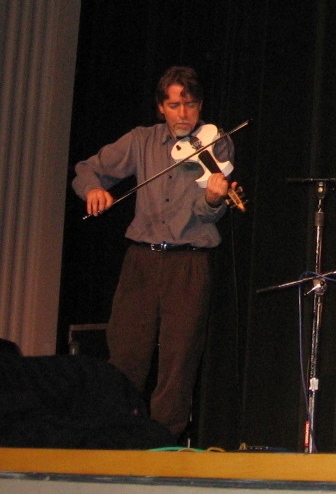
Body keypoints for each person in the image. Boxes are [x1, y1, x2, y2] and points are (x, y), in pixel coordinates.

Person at [72, 66, 240, 441]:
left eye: (191, 105)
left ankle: (162, 446)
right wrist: (93, 191)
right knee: (126, 357)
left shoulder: (218, 142)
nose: (184, 114)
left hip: (189, 263)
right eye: (175, 105)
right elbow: (86, 169)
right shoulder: (141, 140)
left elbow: (206, 210)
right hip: (142, 262)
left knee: (178, 365)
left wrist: (213, 199)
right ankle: (116, 438)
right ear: (160, 107)